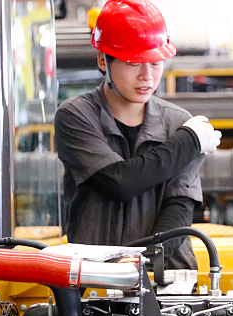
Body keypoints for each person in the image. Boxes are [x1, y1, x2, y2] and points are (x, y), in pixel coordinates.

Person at [55, 0, 221, 268]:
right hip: (95, 276)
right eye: (134, 62)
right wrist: (188, 142)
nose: (147, 76)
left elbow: (178, 208)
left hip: (167, 279)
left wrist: (144, 264)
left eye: (156, 63)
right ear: (102, 60)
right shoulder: (76, 115)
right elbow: (118, 181)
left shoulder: (178, 122)